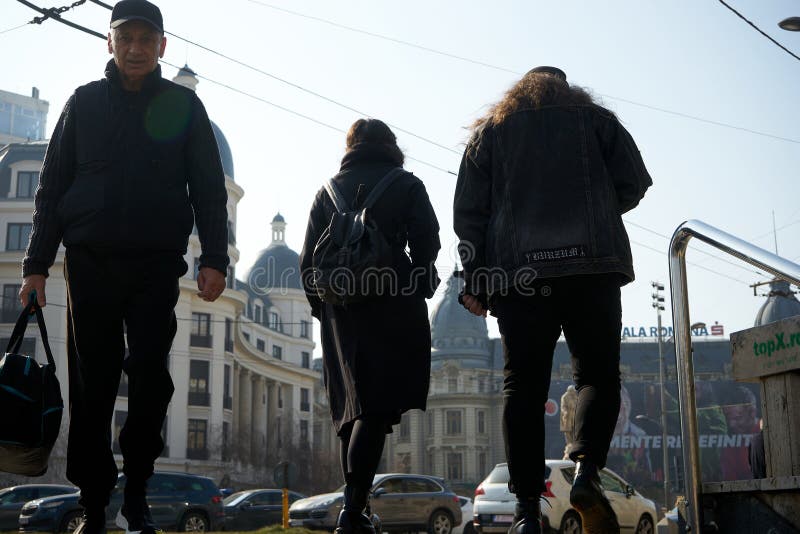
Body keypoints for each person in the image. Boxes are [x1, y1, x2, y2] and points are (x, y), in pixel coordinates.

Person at [18, 2, 229, 533]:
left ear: (162, 45)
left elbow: (208, 189)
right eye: (125, 37)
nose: (135, 47)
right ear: (108, 43)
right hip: (89, 264)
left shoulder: (185, 108)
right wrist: (37, 264)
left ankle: (136, 491)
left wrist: (214, 260)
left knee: (152, 378)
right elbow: (51, 190)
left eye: (145, 38)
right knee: (93, 383)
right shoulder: (83, 104)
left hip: (158, 266)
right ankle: (93, 502)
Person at [454, 66, 651, 534]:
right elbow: (635, 182)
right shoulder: (596, 120)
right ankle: (585, 472)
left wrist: (476, 279)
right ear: (568, 89)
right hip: (592, 269)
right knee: (596, 375)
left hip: (519, 279)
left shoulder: (491, 134)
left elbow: (469, 214)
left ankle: (526, 511)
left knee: (522, 386)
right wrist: (597, 210)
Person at [299, 118, 440, 534]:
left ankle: (356, 511)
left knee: (351, 412)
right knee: (375, 410)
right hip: (392, 306)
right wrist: (413, 282)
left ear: (351, 147)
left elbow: (308, 265)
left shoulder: (326, 192)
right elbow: (428, 245)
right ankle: (353, 510)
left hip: (340, 316)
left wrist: (324, 311)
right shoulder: (406, 185)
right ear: (391, 146)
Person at [560, 385, 578, 449]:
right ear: (569, 391)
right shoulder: (565, 397)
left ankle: (574, 444)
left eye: (574, 391)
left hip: (575, 417)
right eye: (572, 391)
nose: (573, 393)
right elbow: (563, 406)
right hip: (567, 417)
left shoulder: (576, 397)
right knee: (567, 432)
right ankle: (569, 445)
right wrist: (565, 412)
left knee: (575, 431)